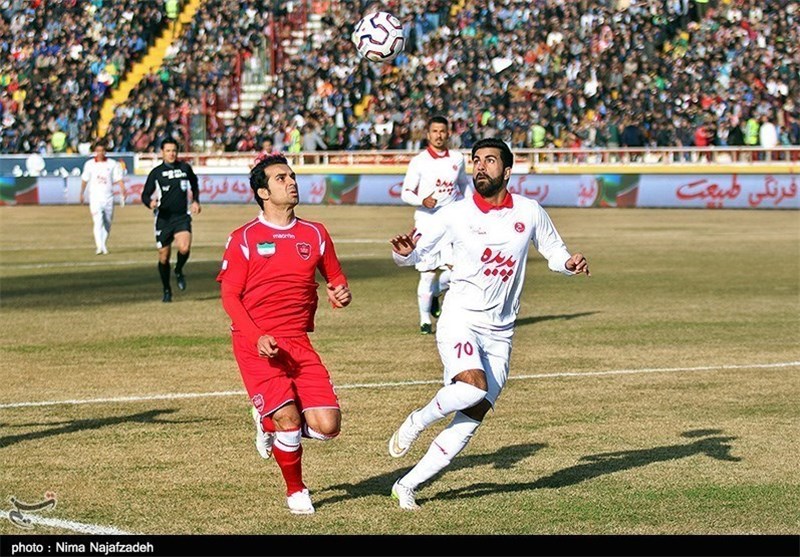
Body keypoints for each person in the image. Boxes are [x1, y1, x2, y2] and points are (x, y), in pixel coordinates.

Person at [387, 138, 590, 510]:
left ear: (507, 171)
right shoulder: (454, 213)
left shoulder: (529, 211)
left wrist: (569, 264)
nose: (480, 167)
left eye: (490, 161)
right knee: (471, 389)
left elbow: (554, 252)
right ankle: (418, 420)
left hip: (502, 332)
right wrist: (403, 254)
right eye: (476, 161)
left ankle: (407, 485)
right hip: (460, 318)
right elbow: (415, 252)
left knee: (471, 418)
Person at [216, 153, 352, 515]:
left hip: (298, 341)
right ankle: (296, 490)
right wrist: (256, 335)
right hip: (255, 343)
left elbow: (335, 278)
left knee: (327, 427)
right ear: (263, 191)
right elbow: (229, 295)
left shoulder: (315, 233)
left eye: (292, 176)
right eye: (281, 179)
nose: (291, 182)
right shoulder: (244, 237)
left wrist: (341, 294)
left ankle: (268, 421)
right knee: (289, 420)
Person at [400, 115, 471, 335]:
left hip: (452, 223)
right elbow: (405, 192)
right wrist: (422, 200)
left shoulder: (457, 159)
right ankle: (425, 321)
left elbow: (464, 185)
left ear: (448, 133)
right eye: (435, 131)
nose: (439, 135)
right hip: (427, 223)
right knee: (428, 273)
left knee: (457, 271)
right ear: (428, 134)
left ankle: (436, 295)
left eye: (443, 131)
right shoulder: (419, 161)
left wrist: (472, 207)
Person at [141, 138, 200, 302]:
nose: (171, 153)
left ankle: (179, 269)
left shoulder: (184, 168)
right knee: (163, 256)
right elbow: (145, 194)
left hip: (181, 216)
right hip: (163, 219)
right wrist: (150, 203)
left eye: (174, 150)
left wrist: (195, 200)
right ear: (162, 153)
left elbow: (194, 183)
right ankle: (167, 290)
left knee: (184, 247)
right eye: (168, 151)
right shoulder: (156, 172)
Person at [80, 140, 125, 255]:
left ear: (105, 151)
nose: (100, 153)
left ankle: (103, 242)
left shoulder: (112, 164)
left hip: (108, 198)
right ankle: (100, 246)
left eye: (102, 151)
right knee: (98, 221)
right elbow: (84, 179)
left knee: (107, 223)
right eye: (98, 151)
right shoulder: (89, 164)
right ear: (95, 151)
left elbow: (118, 178)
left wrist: (122, 189)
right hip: (95, 197)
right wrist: (81, 193)